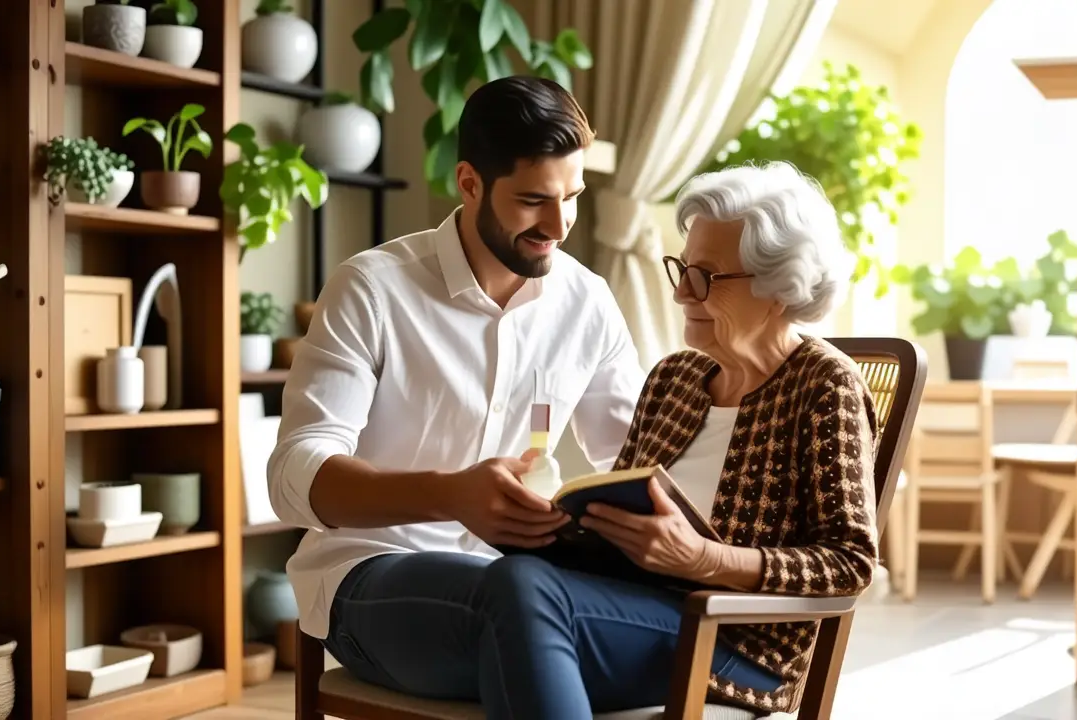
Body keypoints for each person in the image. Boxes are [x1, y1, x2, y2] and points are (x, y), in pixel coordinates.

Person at [266, 76, 646, 711]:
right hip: (368, 577)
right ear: (470, 183)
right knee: (523, 603)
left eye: (573, 196)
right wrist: (449, 494)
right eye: (533, 200)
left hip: (524, 586)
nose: (559, 224)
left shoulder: (588, 302)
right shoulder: (372, 289)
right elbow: (291, 478)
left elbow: (634, 458)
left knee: (589, 617)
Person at [455, 160, 882, 718]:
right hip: (635, 611)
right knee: (495, 588)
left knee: (518, 595)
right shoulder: (675, 377)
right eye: (682, 269)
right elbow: (618, 510)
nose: (682, 294)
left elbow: (850, 563)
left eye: (705, 276)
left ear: (779, 287)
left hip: (732, 646)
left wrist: (706, 559)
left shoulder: (825, 385)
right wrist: (554, 526)